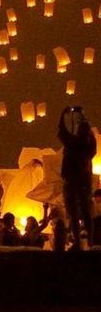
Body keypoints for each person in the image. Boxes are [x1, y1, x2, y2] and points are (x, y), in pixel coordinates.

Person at [58, 106, 97, 248]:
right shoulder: (90, 142)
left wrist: (64, 114)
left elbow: (61, 132)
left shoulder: (71, 142)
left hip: (71, 178)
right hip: (84, 178)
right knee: (86, 210)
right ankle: (91, 242)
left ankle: (78, 241)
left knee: (73, 211)